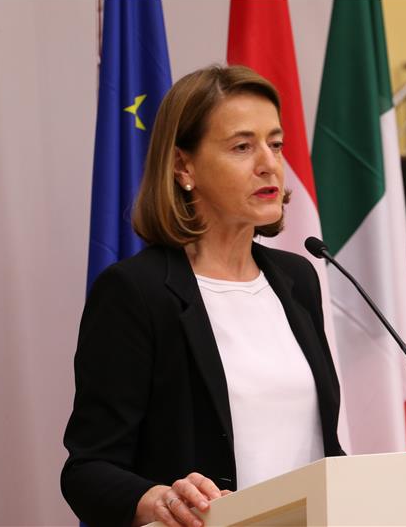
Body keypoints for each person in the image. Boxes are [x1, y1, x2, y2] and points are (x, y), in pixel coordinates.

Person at [60, 65, 344, 527]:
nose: (269, 164)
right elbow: (88, 470)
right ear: (182, 166)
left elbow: (320, 446)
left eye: (275, 144)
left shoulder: (297, 279)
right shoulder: (137, 291)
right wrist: (157, 499)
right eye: (242, 146)